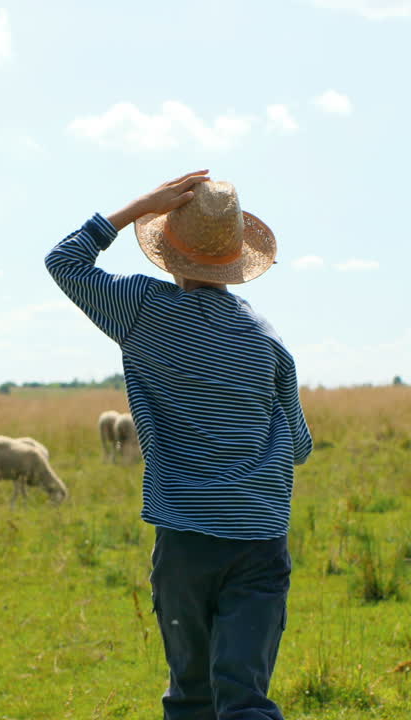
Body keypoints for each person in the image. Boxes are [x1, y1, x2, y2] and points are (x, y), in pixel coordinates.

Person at [45, 170, 313, 719]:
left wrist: (138, 205)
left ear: (168, 248)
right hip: (260, 539)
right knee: (245, 698)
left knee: (191, 696)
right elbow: (300, 447)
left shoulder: (142, 309)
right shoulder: (268, 342)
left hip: (186, 540)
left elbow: (64, 263)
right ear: (237, 258)